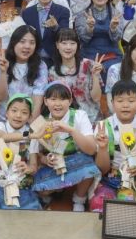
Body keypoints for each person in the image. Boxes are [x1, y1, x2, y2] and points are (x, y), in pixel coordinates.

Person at [32, 82, 99, 212]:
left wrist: (71, 130)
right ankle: (55, 190)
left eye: (63, 99)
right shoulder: (41, 122)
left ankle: (79, 199)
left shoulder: (80, 115)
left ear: (70, 101)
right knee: (40, 188)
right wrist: (45, 159)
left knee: (89, 167)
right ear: (45, 101)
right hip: (54, 166)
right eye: (53, 99)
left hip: (77, 162)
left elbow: (91, 149)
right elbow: (36, 154)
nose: (58, 103)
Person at [90, 80, 136, 211]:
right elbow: (102, 169)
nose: (125, 105)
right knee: (99, 206)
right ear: (112, 103)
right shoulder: (102, 128)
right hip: (107, 179)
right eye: (120, 101)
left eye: (131, 101)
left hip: (132, 181)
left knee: (129, 209)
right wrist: (102, 148)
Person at [0, 94, 42, 210]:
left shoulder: (32, 133)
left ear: (29, 117)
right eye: (14, 110)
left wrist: (28, 168)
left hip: (22, 180)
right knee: (7, 210)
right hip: (2, 179)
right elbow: (3, 138)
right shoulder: (0, 127)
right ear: (6, 113)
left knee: (29, 211)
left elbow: (33, 165)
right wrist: (32, 135)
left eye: (24, 112)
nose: (18, 115)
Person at [0, 25, 48, 122]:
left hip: (29, 122)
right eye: (22, 41)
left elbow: (37, 102)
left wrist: (26, 130)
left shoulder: (40, 66)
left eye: (32, 43)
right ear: (13, 43)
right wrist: (3, 73)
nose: (27, 46)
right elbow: (0, 97)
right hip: (5, 122)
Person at [48, 29, 104, 125]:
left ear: (78, 46)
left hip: (92, 119)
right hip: (65, 122)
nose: (68, 47)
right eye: (64, 43)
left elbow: (96, 98)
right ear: (57, 45)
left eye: (72, 43)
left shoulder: (89, 65)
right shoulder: (53, 72)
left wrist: (95, 76)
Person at [74, 0, 126, 75]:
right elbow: (83, 39)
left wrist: (113, 28)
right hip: (88, 55)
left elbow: (117, 38)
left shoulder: (116, 14)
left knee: (113, 70)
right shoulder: (82, 14)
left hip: (111, 56)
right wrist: (89, 28)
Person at [22, 0, 70, 65]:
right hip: (32, 59)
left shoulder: (63, 11)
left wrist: (56, 27)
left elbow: (66, 37)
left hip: (55, 59)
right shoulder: (27, 12)